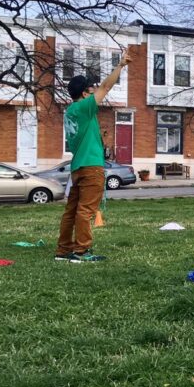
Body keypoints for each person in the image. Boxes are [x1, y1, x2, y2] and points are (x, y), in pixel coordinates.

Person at [55, 53, 130, 263]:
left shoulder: (69, 112)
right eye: (91, 89)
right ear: (84, 93)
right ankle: (81, 251)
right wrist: (120, 65)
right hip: (91, 167)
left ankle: (63, 250)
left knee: (71, 211)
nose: (94, 91)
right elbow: (106, 87)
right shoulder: (83, 108)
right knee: (86, 210)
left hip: (78, 167)